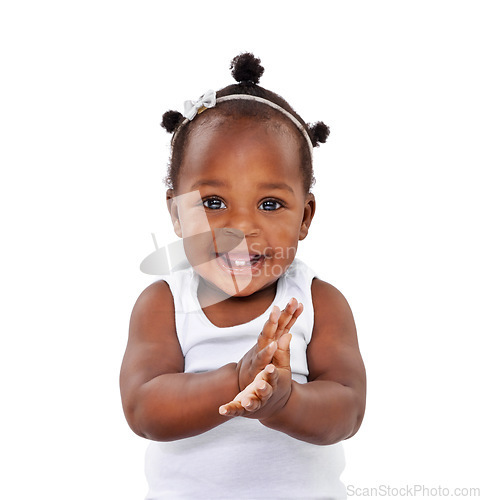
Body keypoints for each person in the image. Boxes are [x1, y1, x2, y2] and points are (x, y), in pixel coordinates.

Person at [120, 53, 366, 500]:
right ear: (177, 213)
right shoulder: (164, 304)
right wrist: (237, 379)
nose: (240, 227)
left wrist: (284, 401)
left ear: (305, 216)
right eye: (213, 202)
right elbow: (144, 409)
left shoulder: (318, 302)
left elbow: (348, 410)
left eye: (270, 204)